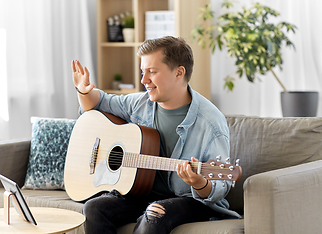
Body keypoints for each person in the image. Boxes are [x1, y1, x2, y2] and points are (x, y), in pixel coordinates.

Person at [72, 36, 241, 234]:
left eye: (152, 72)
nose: (144, 80)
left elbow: (220, 186)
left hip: (190, 201)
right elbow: (99, 102)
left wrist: (199, 183)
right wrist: (83, 91)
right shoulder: (140, 103)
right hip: (142, 193)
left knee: (154, 214)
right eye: (143, 72)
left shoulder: (211, 123)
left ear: (179, 72)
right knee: (93, 208)